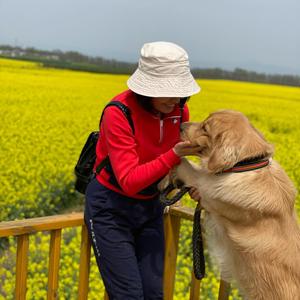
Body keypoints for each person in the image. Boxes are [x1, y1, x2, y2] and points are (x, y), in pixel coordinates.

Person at [84, 41, 201, 300]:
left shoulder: (179, 109)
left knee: (152, 293)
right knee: (129, 295)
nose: (175, 99)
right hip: (110, 207)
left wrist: (195, 185)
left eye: (180, 91)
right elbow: (129, 181)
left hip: (149, 207)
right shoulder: (119, 112)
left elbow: (174, 165)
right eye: (167, 91)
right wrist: (174, 154)